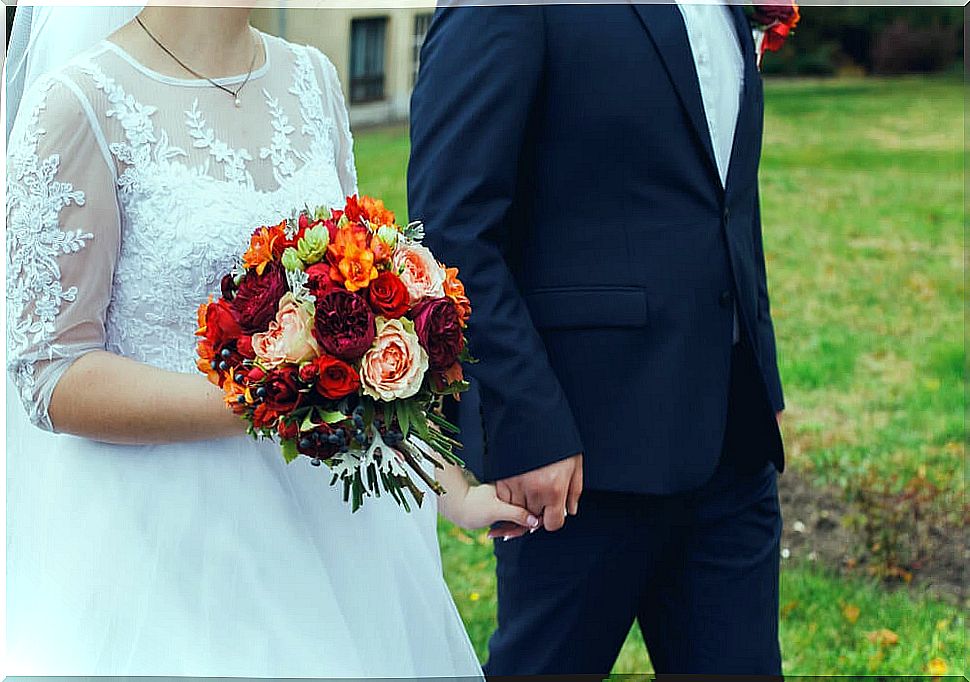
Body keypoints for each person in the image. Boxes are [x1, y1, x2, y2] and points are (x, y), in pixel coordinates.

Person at [5, 5, 533, 676]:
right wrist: (279, 397)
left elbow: (359, 321)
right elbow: (54, 373)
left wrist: (452, 491)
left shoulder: (312, 79)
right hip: (166, 549)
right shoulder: (80, 103)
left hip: (341, 535)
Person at [409, 1, 786, 676]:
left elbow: (725, 201)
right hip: (578, 457)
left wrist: (761, 368)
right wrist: (526, 423)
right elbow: (452, 226)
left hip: (732, 443)